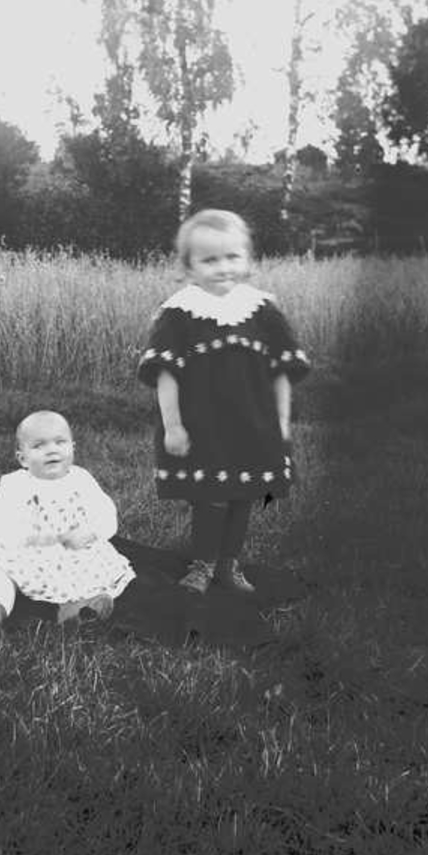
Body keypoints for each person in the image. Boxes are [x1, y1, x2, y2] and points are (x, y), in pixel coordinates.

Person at [138, 209, 311, 595]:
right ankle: (203, 564)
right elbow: (166, 374)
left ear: (248, 260)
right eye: (210, 259)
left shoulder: (262, 310)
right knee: (212, 496)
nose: (223, 267)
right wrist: (173, 426)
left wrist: (282, 422)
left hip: (254, 424)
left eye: (232, 257)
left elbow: (281, 372)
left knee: (243, 494)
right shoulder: (179, 313)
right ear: (189, 267)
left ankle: (229, 565)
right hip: (203, 426)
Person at [0, 410, 136, 628]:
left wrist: (90, 533)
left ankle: (77, 609)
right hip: (30, 551)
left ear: (73, 448)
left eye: (60, 442)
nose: (52, 450)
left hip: (75, 552)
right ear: (23, 458)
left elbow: (105, 513)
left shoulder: (82, 480)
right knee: (1, 569)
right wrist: (26, 540)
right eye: (39, 446)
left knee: (94, 571)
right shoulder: (15, 485)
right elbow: (1, 522)